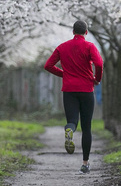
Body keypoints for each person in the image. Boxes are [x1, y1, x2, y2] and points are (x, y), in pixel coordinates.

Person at [44, 20, 103, 174]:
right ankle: (85, 163)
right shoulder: (90, 46)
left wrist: (64, 74)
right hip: (86, 89)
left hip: (69, 90)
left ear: (72, 31)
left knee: (72, 121)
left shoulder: (62, 47)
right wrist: (97, 79)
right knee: (87, 128)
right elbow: (99, 64)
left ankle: (69, 129)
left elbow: (48, 66)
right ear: (86, 32)